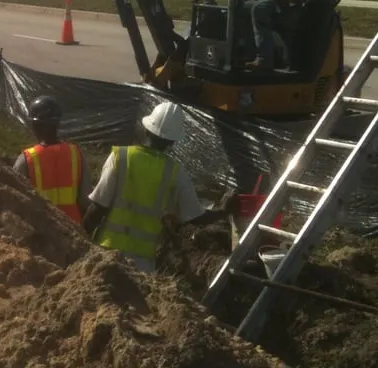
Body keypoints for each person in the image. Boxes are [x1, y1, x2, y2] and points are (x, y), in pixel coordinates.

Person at [81, 101, 230, 273]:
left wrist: (80, 239)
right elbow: (195, 216)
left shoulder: (120, 157)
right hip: (142, 263)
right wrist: (224, 210)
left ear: (146, 129)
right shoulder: (175, 172)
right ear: (173, 142)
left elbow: (98, 207)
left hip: (107, 253)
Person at [13, 95, 91, 225]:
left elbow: (15, 200)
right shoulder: (76, 154)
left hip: (45, 231)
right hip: (74, 230)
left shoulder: (26, 159)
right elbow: (85, 200)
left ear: (35, 125)